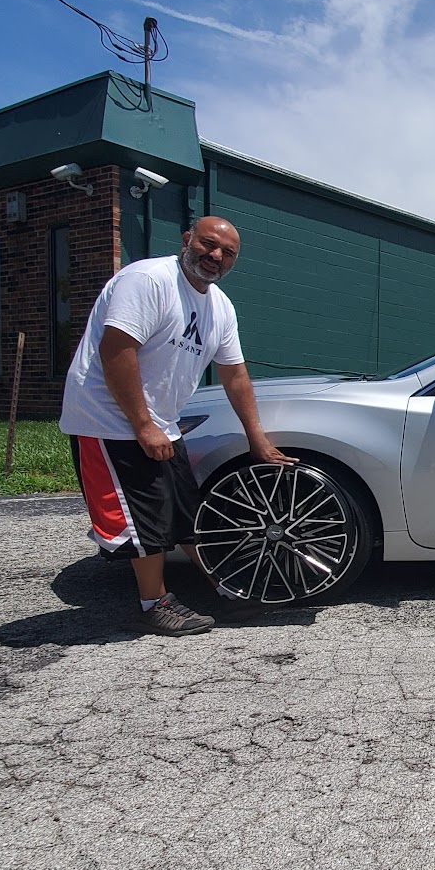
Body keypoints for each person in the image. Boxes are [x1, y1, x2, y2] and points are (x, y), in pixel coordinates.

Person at [59, 215, 293, 635]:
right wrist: (142, 425)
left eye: (227, 253)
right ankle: (154, 604)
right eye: (208, 244)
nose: (215, 256)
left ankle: (220, 590)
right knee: (143, 520)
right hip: (109, 420)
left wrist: (256, 438)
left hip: (160, 422)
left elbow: (235, 375)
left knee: (186, 514)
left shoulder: (219, 306)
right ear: (187, 239)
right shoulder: (148, 280)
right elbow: (116, 351)